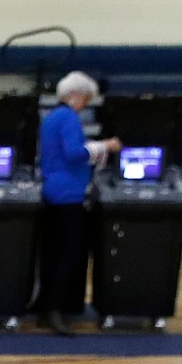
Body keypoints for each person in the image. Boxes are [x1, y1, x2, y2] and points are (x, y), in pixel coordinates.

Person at [32, 72, 119, 336]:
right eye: (86, 99)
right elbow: (73, 153)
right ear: (75, 96)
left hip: (52, 189)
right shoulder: (69, 117)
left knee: (52, 253)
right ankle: (56, 311)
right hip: (68, 193)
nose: (86, 105)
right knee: (70, 253)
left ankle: (45, 308)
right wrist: (105, 146)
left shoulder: (51, 118)